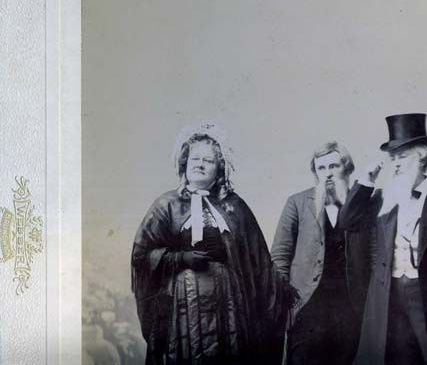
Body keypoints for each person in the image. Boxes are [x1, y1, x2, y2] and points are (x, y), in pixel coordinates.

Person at [131, 123, 292, 364]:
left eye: (208, 160)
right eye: (195, 159)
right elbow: (141, 256)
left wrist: (285, 294)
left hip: (228, 302)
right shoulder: (167, 205)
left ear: (219, 169)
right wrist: (179, 258)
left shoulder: (234, 206)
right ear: (184, 164)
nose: (200, 164)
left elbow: (259, 260)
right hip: (182, 304)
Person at [339, 113, 427, 365]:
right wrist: (366, 180)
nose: (396, 164)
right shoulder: (382, 198)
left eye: (402, 157)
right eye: (392, 158)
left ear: (421, 158)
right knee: (396, 357)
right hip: (388, 296)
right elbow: (348, 221)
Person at [271, 142, 373, 365]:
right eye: (321, 168)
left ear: (347, 168)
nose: (327, 174)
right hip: (307, 305)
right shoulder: (297, 203)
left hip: (349, 307)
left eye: (333, 166)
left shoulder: (363, 205)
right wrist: (286, 302)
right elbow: (279, 255)